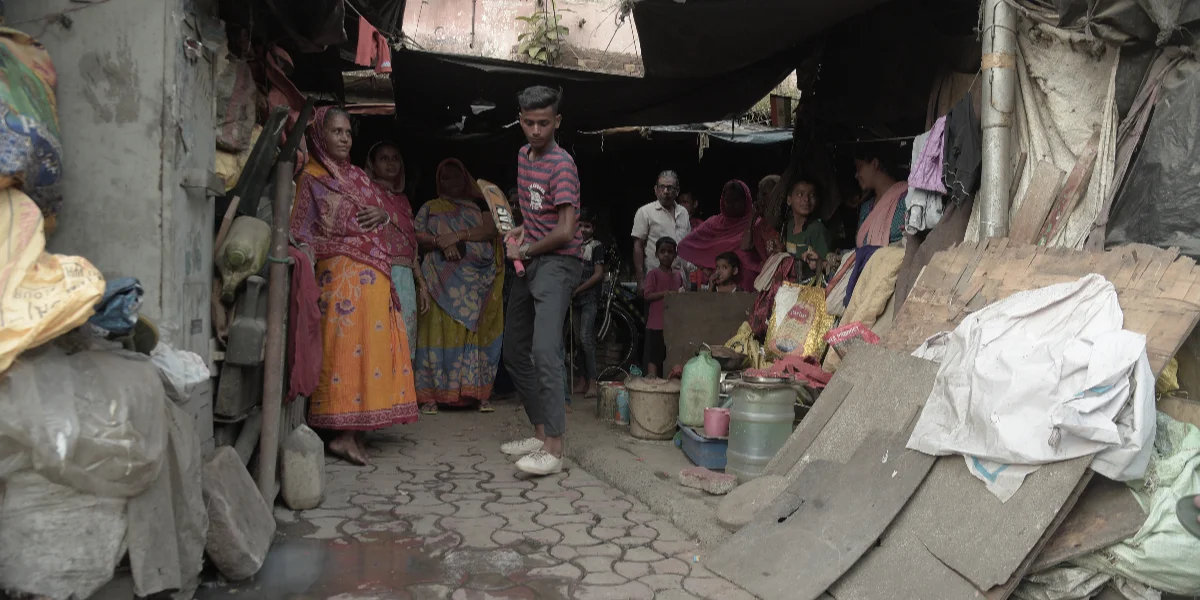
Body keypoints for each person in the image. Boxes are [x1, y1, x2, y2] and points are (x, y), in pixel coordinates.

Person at [290, 106, 418, 465]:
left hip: (376, 278)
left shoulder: (360, 177)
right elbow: (300, 231)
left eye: (348, 132)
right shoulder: (312, 178)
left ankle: (357, 433)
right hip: (341, 280)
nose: (345, 138)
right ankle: (342, 434)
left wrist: (383, 214)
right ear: (320, 136)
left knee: (372, 354)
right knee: (347, 354)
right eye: (336, 132)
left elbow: (382, 217)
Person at [501, 86, 584, 476]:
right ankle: (539, 433)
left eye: (544, 123)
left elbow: (565, 230)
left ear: (557, 121)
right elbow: (536, 217)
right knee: (514, 350)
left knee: (545, 350)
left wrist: (526, 249)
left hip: (558, 263)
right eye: (530, 123)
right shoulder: (523, 156)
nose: (536, 131)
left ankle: (554, 447)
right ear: (520, 120)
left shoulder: (562, 165)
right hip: (531, 259)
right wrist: (519, 232)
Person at [412, 159, 504, 414]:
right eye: (444, 178)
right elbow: (415, 235)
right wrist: (440, 242)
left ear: (465, 179)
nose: (449, 182)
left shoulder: (479, 206)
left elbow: (490, 230)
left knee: (470, 333)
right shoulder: (430, 207)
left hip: (476, 284)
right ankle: (431, 396)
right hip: (438, 281)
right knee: (436, 332)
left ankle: (476, 393)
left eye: (455, 176)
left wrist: (457, 236)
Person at [365, 141, 431, 356]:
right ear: (373, 164)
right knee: (380, 341)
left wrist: (421, 284)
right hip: (378, 273)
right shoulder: (365, 193)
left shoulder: (403, 201)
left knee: (405, 339)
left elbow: (411, 245)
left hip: (405, 278)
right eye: (384, 159)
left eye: (395, 158)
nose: (391, 163)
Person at [677, 180, 759, 291]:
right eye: (727, 200)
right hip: (720, 286)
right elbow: (685, 246)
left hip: (750, 285)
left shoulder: (756, 223)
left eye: (736, 200)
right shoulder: (714, 223)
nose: (731, 205)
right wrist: (705, 268)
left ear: (746, 201)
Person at [631, 170, 690, 294]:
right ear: (655, 189)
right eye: (662, 187)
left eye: (670, 187)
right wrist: (640, 280)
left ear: (677, 191)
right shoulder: (645, 212)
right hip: (655, 282)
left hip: (681, 281)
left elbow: (688, 244)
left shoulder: (683, 212)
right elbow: (638, 246)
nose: (666, 191)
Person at [572, 208, 606, 398]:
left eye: (587, 226)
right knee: (577, 340)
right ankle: (582, 380)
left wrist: (579, 289)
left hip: (589, 298)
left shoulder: (596, 246)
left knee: (586, 338)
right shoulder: (572, 245)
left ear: (593, 229)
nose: (583, 230)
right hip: (575, 299)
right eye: (580, 225)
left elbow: (598, 274)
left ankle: (593, 382)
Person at [642, 237, 683, 377]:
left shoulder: (678, 276)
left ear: (675, 255)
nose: (666, 255)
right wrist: (666, 293)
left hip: (673, 324)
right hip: (656, 323)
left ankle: (669, 381)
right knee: (654, 356)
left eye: (670, 252)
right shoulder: (653, 274)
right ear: (656, 254)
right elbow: (647, 295)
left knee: (669, 355)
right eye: (662, 251)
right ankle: (652, 382)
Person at [853, 151, 909, 247]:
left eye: (859, 167)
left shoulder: (908, 198)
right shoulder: (866, 208)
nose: (856, 175)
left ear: (875, 164)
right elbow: (859, 249)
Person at [784, 179, 833, 277]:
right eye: (800, 194)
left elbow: (828, 267)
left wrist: (818, 263)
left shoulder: (817, 229)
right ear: (789, 200)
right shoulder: (789, 225)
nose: (806, 199)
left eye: (812, 195)